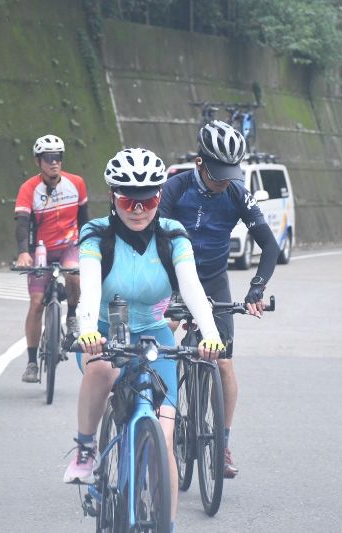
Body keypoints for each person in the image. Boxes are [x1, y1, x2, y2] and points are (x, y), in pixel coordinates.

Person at [63, 148, 224, 528]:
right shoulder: (97, 234)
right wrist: (87, 330)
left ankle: (166, 524)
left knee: (165, 440)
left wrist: (211, 335)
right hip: (104, 331)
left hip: (154, 334)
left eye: (148, 200)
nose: (138, 210)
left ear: (159, 197)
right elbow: (89, 289)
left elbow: (193, 288)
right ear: (113, 197)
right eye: (128, 200)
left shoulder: (173, 236)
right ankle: (86, 448)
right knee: (101, 370)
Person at [158, 119, 280, 479]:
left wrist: (256, 288)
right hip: (173, 277)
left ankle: (222, 444)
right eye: (218, 174)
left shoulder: (237, 192)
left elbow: (269, 246)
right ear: (200, 163)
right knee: (163, 335)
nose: (224, 180)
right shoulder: (175, 188)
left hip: (213, 279)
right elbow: (152, 236)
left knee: (224, 363)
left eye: (230, 173)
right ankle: (158, 418)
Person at [14, 134, 89, 383]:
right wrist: (24, 252)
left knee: (74, 276)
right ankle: (32, 363)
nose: (54, 162)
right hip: (41, 250)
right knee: (37, 304)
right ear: (38, 161)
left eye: (58, 157)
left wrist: (89, 246)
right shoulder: (28, 188)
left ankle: (71, 316)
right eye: (48, 158)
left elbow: (84, 220)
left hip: (69, 245)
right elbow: (22, 224)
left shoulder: (76, 183)